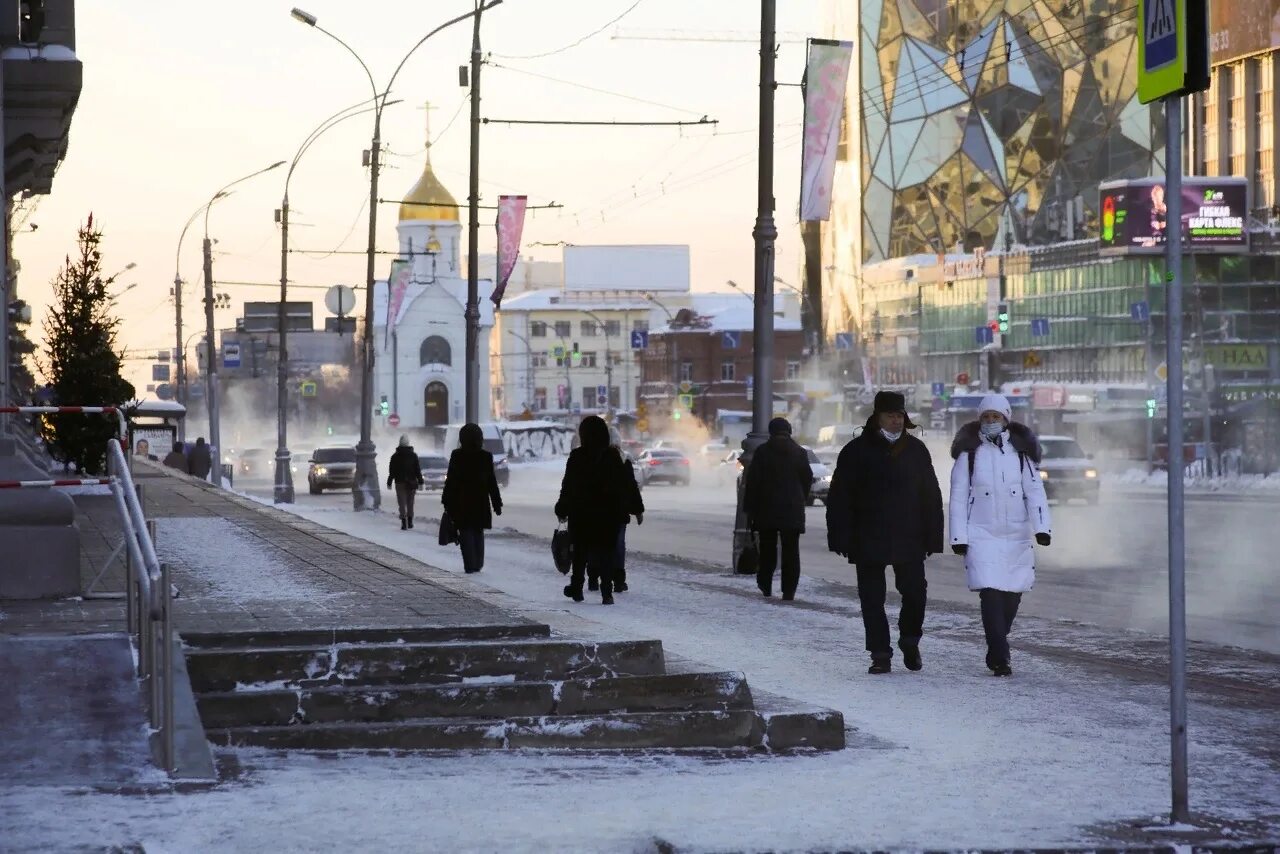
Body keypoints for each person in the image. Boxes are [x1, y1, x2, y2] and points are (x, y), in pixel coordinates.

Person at [826, 391, 943, 674]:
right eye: (890, 415)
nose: (896, 420)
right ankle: (880, 653)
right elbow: (840, 497)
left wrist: (933, 535)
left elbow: (931, 496)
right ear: (876, 417)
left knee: (915, 593)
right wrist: (840, 536)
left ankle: (910, 639)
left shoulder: (916, 450)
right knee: (871, 598)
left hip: (909, 535)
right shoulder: (855, 451)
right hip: (868, 536)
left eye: (900, 415)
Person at [948, 393, 1052, 677]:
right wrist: (959, 537)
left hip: (1016, 536)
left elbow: (1036, 494)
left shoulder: (1021, 455)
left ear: (1006, 419)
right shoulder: (969, 456)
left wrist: (1042, 528)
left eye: (997, 416)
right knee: (991, 594)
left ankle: (997, 641)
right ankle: (999, 654)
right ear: (979, 420)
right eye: (986, 416)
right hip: (981, 535)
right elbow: (957, 498)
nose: (991, 421)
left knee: (1011, 597)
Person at [555, 416, 633, 605]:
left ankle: (576, 588)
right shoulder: (613, 457)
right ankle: (607, 593)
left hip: (581, 514)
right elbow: (623, 486)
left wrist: (562, 507)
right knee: (606, 552)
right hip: (608, 515)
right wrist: (629, 509)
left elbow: (568, 485)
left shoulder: (577, 457)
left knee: (580, 553)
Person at [743, 417, 813, 600]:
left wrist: (749, 509)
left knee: (767, 549)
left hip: (766, 509)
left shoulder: (762, 452)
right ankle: (789, 591)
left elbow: (753, 483)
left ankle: (765, 586)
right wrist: (801, 500)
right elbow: (807, 479)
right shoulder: (799, 452)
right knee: (791, 551)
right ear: (789, 431)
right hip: (792, 510)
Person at [442, 423, 503, 573]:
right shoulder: (485, 457)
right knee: (478, 531)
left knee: (465, 532)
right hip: (480, 503)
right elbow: (491, 482)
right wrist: (497, 503)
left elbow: (451, 481)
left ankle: (470, 564)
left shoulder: (457, 456)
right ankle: (478, 563)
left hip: (461, 502)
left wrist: (447, 500)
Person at [387, 435, 425, 530]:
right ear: (408, 443)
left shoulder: (395, 456)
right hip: (411, 482)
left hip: (399, 482)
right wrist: (420, 481)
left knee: (402, 503)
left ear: (399, 443)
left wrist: (389, 481)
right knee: (410, 502)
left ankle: (404, 523)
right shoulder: (413, 455)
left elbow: (392, 471)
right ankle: (410, 521)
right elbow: (417, 469)